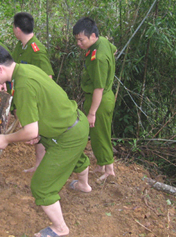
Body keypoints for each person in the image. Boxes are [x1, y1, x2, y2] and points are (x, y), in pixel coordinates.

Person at [0, 44, 91, 237]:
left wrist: (6, 138)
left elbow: (30, 131)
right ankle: (84, 185)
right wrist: (36, 133)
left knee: (41, 186)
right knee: (69, 154)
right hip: (75, 123)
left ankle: (60, 228)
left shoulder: (23, 84)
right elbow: (42, 109)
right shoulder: (25, 69)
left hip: (68, 135)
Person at [73, 17, 117, 182]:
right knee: (96, 132)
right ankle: (101, 164)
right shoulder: (103, 42)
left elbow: (98, 88)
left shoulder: (98, 59)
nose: (79, 43)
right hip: (102, 96)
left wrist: (92, 112)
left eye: (81, 40)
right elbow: (114, 50)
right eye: (77, 40)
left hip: (99, 99)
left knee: (101, 133)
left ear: (92, 36)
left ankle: (109, 169)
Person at [11, 12, 55, 173]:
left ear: (17, 29)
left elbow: (48, 78)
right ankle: (38, 165)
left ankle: (42, 165)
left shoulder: (37, 50)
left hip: (36, 100)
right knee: (37, 133)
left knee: (41, 132)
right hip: (23, 95)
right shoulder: (20, 46)